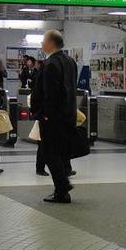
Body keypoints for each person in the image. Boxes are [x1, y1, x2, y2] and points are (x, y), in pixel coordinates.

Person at [33, 30, 77, 203]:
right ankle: (62, 186)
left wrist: (45, 115)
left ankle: (62, 188)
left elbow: (51, 94)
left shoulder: (51, 64)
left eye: (43, 40)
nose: (42, 44)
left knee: (49, 152)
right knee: (59, 152)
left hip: (53, 119)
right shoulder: (69, 61)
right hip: (67, 115)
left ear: (51, 42)